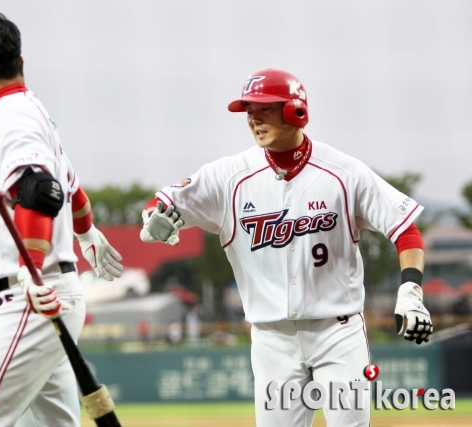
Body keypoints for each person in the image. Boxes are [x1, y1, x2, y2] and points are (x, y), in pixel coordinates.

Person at [139, 69, 433, 426]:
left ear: (296, 111)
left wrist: (410, 290)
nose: (253, 118)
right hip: (271, 338)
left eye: (264, 108)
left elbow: (406, 231)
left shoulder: (343, 172)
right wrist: (153, 216)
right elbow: (164, 200)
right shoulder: (229, 176)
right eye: (248, 109)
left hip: (337, 332)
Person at [0, 12, 123, 427]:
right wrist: (86, 231)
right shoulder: (31, 112)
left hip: (26, 300)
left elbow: (39, 190)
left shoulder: (8, 115)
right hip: (41, 298)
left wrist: (32, 267)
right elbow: (71, 191)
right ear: (20, 62)